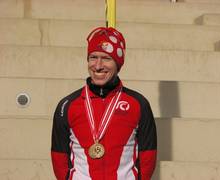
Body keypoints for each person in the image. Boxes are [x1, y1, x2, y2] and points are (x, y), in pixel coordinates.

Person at [51, 27, 157, 180]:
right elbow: (59, 157)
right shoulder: (66, 105)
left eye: (106, 58)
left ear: (118, 64)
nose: (98, 65)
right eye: (93, 57)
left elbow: (148, 157)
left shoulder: (138, 104)